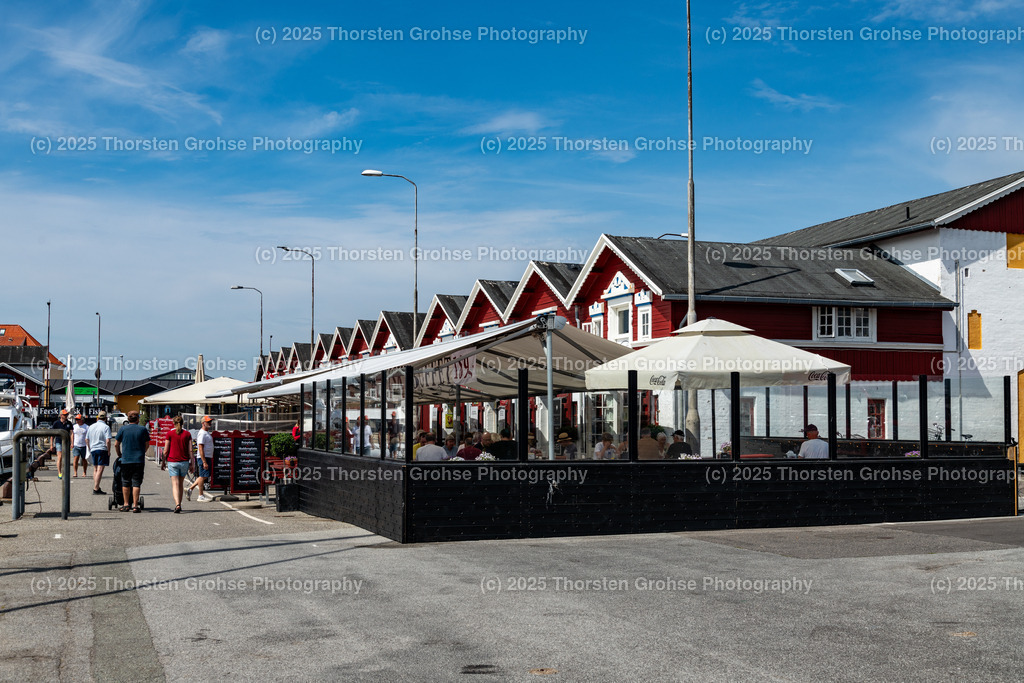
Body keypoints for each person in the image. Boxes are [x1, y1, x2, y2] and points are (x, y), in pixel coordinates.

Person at [114, 411, 149, 513]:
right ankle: (135, 505)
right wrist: (143, 452)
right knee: (136, 483)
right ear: (138, 419)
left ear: (128, 419)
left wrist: (119, 454)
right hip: (139, 460)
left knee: (125, 482)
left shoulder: (123, 429)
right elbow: (147, 443)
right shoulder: (142, 429)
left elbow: (116, 444)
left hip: (126, 460)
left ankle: (126, 504)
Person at [163, 415, 192, 513]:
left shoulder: (169, 434)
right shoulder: (187, 434)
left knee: (175, 484)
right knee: (180, 483)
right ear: (183, 423)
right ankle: (179, 503)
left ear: (173, 423)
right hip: (184, 462)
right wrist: (192, 463)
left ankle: (177, 504)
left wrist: (163, 462)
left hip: (172, 461)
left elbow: (165, 451)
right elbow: (191, 450)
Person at [186, 416, 215, 502]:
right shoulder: (202, 433)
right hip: (204, 457)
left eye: (210, 422)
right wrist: (204, 461)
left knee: (204, 475)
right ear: (203, 423)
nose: (210, 423)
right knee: (203, 476)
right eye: (208, 422)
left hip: (207, 456)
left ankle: (190, 489)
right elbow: (200, 448)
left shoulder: (206, 433)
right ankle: (200, 495)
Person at [86, 411, 112, 495]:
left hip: (93, 448)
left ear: (97, 418)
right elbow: (108, 440)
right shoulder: (106, 427)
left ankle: (96, 486)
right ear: (105, 418)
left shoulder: (91, 426)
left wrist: (90, 448)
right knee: (100, 469)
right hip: (102, 448)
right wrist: (108, 450)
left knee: (95, 468)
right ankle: (96, 488)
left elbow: (86, 439)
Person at [51, 409, 73, 479]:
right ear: (61, 415)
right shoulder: (56, 423)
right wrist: (51, 445)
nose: (66, 416)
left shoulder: (69, 423)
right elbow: (52, 435)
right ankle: (59, 472)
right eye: (65, 414)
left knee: (65, 457)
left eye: (67, 414)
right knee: (59, 457)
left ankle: (65, 471)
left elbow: (72, 434)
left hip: (66, 442)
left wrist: (72, 443)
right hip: (59, 442)